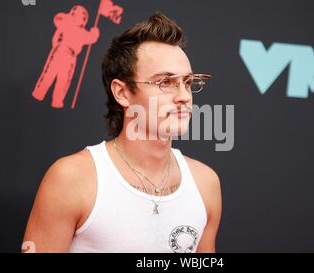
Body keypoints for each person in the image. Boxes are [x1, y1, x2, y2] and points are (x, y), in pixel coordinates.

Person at [23, 12, 222, 253]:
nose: (183, 96)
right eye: (165, 82)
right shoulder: (72, 179)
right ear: (122, 93)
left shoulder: (205, 183)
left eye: (188, 82)